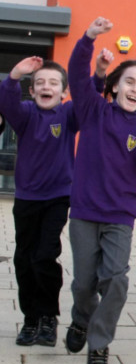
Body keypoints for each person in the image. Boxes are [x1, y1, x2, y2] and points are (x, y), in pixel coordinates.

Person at [65, 17, 136, 364]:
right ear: (114, 86)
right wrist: (89, 39)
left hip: (119, 218)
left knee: (114, 280)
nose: (135, 89)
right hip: (84, 214)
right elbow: (78, 75)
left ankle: (98, 347)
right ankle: (81, 319)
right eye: (129, 81)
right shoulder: (93, 110)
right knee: (84, 284)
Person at [0, 53, 108, 348]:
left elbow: (89, 98)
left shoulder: (69, 114)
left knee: (44, 256)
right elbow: (6, 103)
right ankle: (30, 319)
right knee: (24, 258)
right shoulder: (24, 114)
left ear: (64, 91)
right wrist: (13, 76)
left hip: (58, 197)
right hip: (26, 198)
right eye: (39, 83)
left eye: (53, 83)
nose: (46, 87)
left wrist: (98, 74)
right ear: (32, 90)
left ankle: (48, 316)